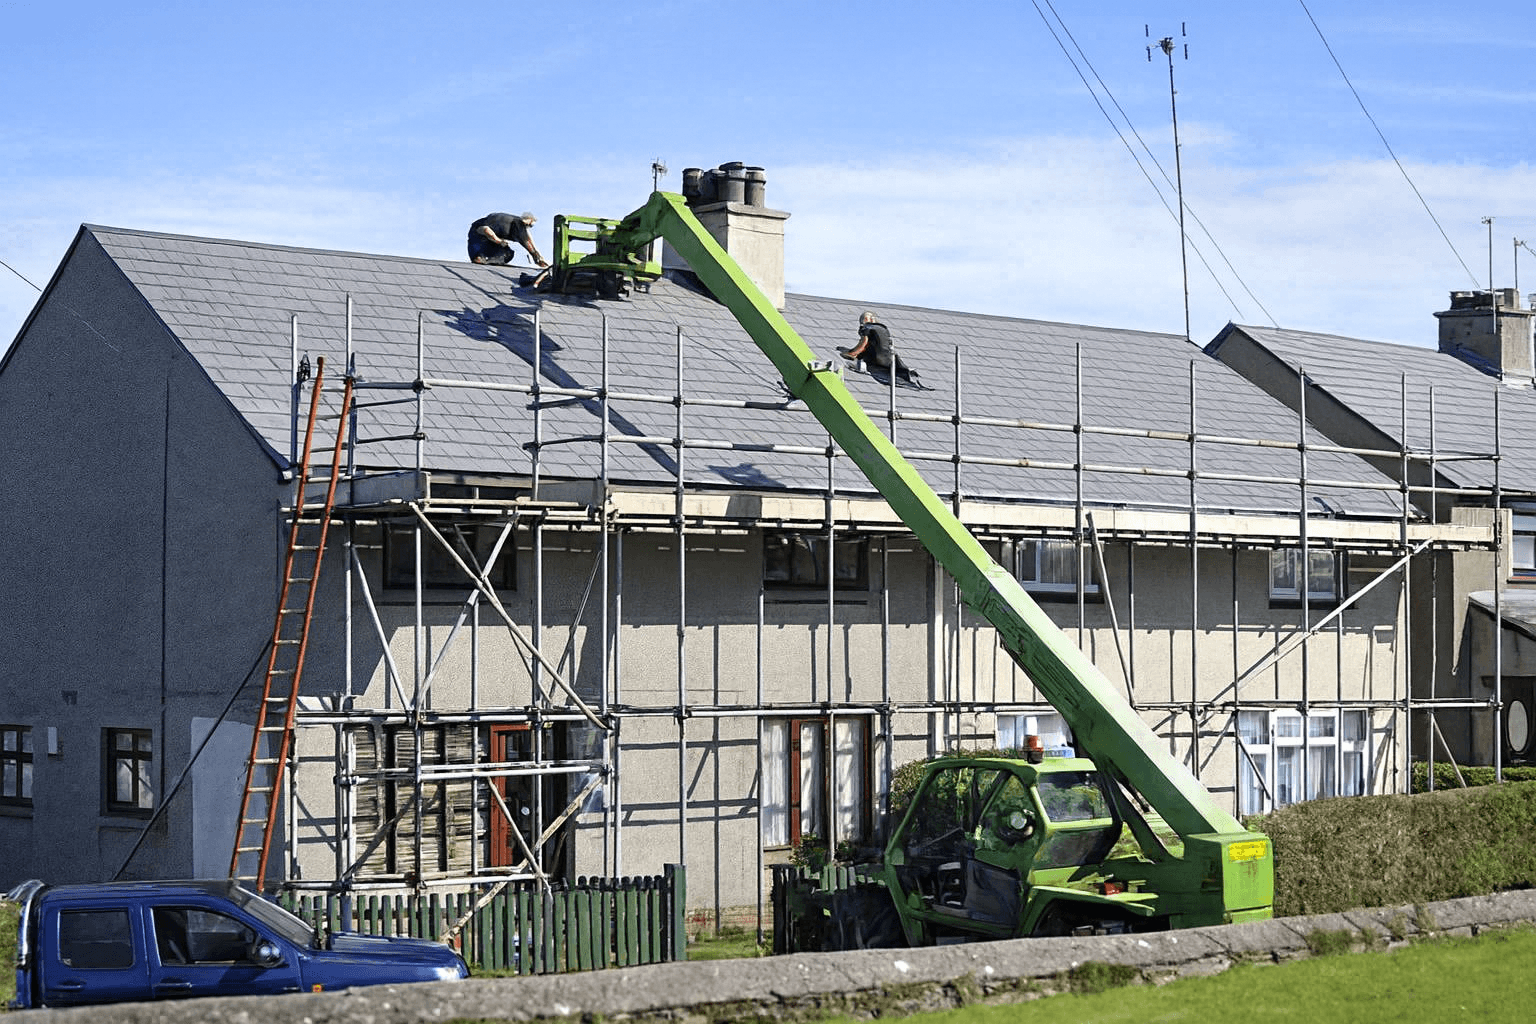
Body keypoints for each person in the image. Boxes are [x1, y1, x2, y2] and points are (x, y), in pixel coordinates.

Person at [839, 311, 915, 383]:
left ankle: (863, 365)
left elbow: (863, 343)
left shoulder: (867, 327)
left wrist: (852, 354)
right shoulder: (883, 329)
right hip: (890, 360)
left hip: (877, 359)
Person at [468, 212, 549, 268]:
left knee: (508, 253)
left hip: (486, 240)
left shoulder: (516, 224)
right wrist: (498, 241)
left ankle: (485, 259)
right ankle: (482, 258)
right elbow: (485, 230)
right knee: (507, 253)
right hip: (478, 240)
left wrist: (537, 255)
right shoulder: (516, 224)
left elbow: (528, 239)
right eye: (530, 226)